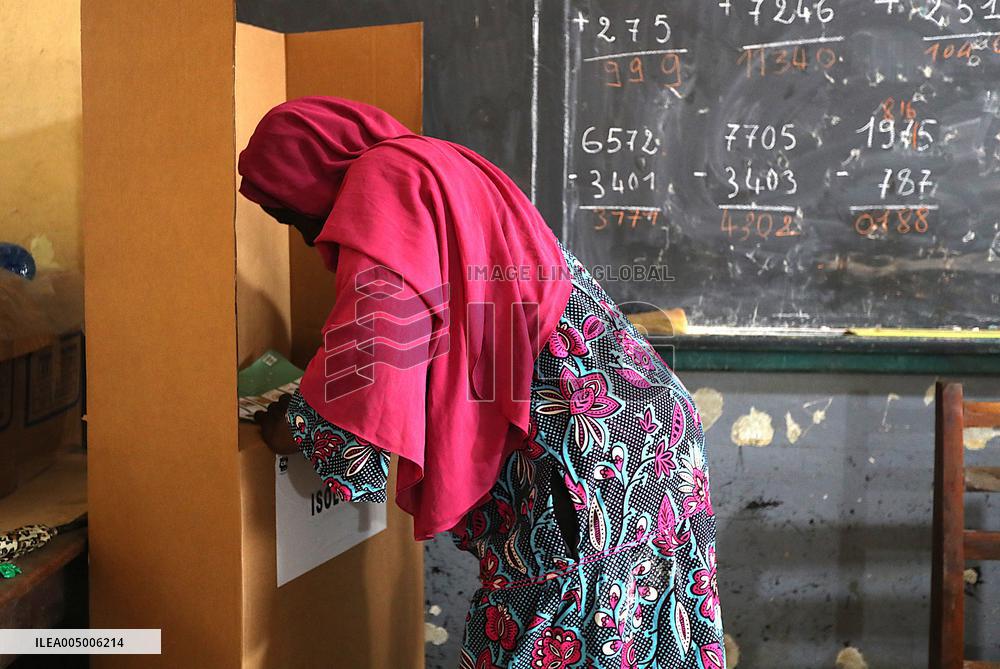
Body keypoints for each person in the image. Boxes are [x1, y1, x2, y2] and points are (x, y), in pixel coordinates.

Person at [241, 96, 726, 669]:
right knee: (648, 630)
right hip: (646, 425)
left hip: (579, 451)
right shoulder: (445, 164)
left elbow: (374, 349)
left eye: (288, 212)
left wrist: (294, 424)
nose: (303, 236)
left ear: (308, 172)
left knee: (558, 628)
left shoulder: (386, 181)